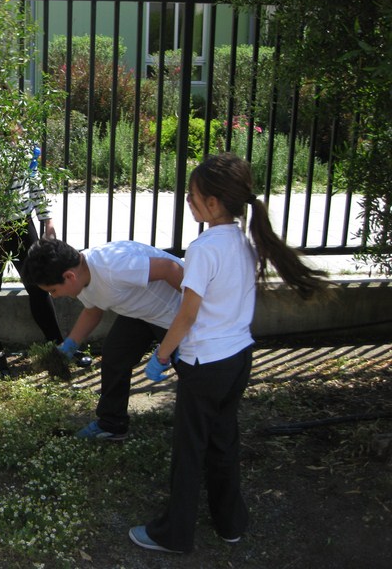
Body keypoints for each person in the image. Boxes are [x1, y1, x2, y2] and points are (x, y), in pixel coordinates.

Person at [129, 153, 330, 553]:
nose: (188, 201)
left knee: (189, 450)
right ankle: (230, 522)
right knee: (223, 443)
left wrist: (162, 355)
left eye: (192, 195)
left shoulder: (204, 248)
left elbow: (188, 314)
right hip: (239, 359)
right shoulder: (244, 240)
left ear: (214, 203)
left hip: (204, 365)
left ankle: (174, 534)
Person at [22, 238, 184, 440]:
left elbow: (170, 268)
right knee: (115, 355)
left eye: (53, 290)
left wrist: (192, 313)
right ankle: (112, 424)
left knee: (193, 376)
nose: (54, 297)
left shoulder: (113, 266)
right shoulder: (82, 277)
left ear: (69, 276)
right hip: (142, 313)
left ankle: (203, 433)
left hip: (178, 315)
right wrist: (70, 344)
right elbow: (92, 310)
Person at [0, 133, 90, 376]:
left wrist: (46, 218)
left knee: (39, 286)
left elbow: (33, 179)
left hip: (20, 224)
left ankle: (59, 345)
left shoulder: (22, 141)